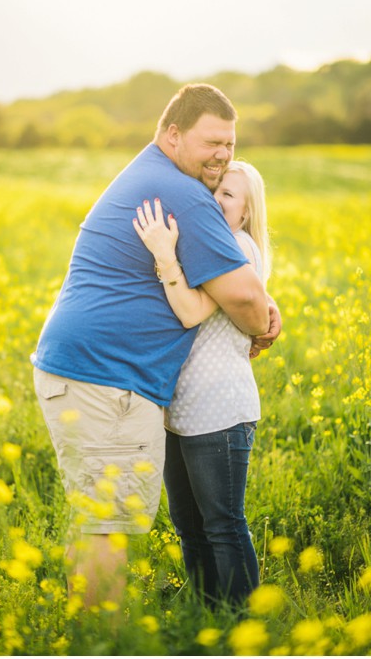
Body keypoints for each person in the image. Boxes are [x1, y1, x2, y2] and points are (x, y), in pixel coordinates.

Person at [31, 84, 281, 608]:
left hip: (89, 373)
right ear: (172, 134)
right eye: (212, 141)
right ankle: (102, 638)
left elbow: (242, 291)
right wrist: (263, 324)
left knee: (102, 522)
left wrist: (261, 309)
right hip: (106, 379)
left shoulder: (154, 176)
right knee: (108, 526)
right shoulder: (182, 191)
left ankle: (108, 630)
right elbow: (242, 297)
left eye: (230, 145)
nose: (222, 155)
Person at [133, 161, 271, 606]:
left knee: (223, 525)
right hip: (180, 409)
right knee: (189, 526)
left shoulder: (235, 248)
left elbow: (191, 311)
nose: (216, 200)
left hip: (220, 408)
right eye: (213, 189)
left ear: (246, 212)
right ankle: (206, 616)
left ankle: (242, 629)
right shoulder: (211, 240)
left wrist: (164, 253)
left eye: (229, 196)